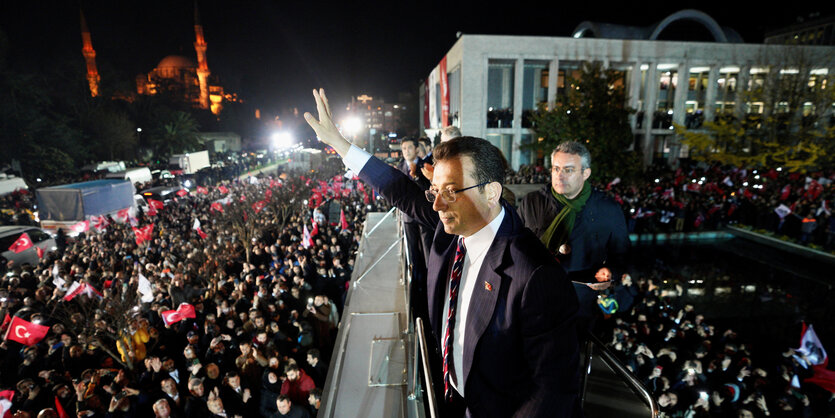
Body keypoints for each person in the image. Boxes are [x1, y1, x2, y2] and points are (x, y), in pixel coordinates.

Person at [305, 88, 581, 417]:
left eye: (450, 192)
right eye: (435, 190)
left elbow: (552, 391)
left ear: (490, 192)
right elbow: (401, 189)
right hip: (448, 398)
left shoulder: (535, 275)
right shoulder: (449, 227)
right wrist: (341, 145)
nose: (436, 204)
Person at [518, 141, 629, 337]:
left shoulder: (607, 209)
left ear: (585, 173)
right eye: (556, 168)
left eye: (568, 170)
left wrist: (608, 275)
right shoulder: (531, 202)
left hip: (580, 308)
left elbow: (622, 256)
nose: (559, 175)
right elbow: (515, 245)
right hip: (535, 302)